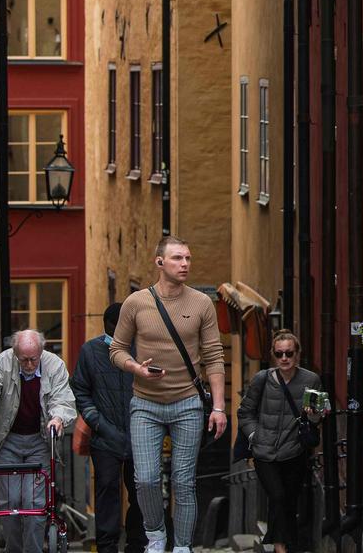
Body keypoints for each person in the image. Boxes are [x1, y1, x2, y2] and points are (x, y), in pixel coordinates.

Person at [110, 235, 227, 553]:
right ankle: (156, 535)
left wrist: (218, 407)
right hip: (145, 404)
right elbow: (117, 349)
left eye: (188, 258)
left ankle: (183, 546)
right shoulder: (137, 303)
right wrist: (136, 368)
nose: (185, 264)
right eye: (177, 258)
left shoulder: (201, 304)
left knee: (183, 481)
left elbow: (215, 357)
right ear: (159, 262)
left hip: (188, 403)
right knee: (145, 479)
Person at [0, 330, 76, 553]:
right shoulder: (3, 363)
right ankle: (14, 549)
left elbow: (63, 398)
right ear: (15, 354)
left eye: (34, 358)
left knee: (34, 504)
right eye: (24, 359)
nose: (29, 364)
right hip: (9, 440)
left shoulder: (54, 365)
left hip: (40, 441)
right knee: (10, 502)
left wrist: (57, 417)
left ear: (41, 352)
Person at [237, 330, 322, 553]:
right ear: (273, 355)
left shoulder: (310, 380)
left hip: (294, 451)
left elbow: (315, 418)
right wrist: (256, 436)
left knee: (288, 502)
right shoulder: (262, 379)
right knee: (278, 495)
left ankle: (284, 546)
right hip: (264, 453)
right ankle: (281, 547)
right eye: (279, 354)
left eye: (289, 353)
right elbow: (244, 412)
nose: (284, 358)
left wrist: (314, 413)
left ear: (297, 354)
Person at [72, 304, 146, 553]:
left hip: (140, 434)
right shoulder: (91, 351)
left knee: (141, 492)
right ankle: (107, 547)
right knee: (107, 490)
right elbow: (80, 390)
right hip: (105, 437)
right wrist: (97, 422)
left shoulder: (142, 349)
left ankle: (136, 544)